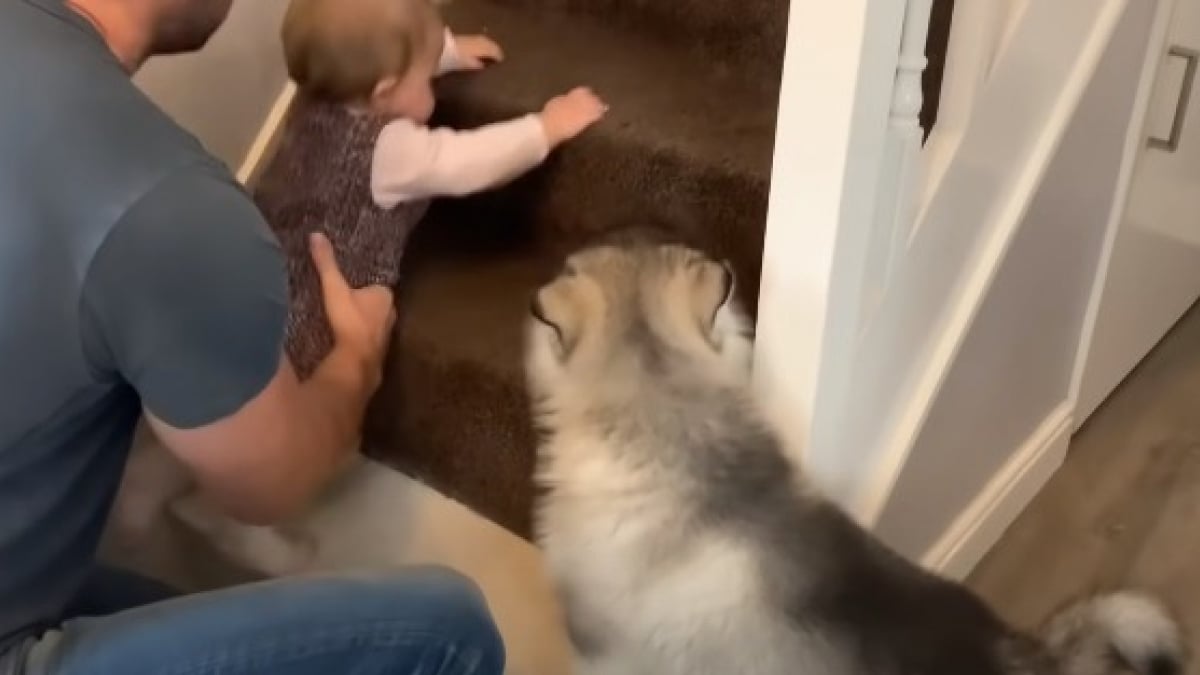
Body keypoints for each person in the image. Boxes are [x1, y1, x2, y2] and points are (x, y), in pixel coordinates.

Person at [0, 0, 505, 673]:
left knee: (175, 599)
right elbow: (270, 485)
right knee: (452, 627)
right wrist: (355, 358)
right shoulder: (168, 205)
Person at [259, 0, 607, 376]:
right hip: (314, 317)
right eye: (425, 76)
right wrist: (545, 128)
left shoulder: (325, 92)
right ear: (385, 92)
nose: (430, 80)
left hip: (273, 258)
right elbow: (469, 162)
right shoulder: (387, 151)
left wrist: (447, 52)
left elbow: (382, 68)